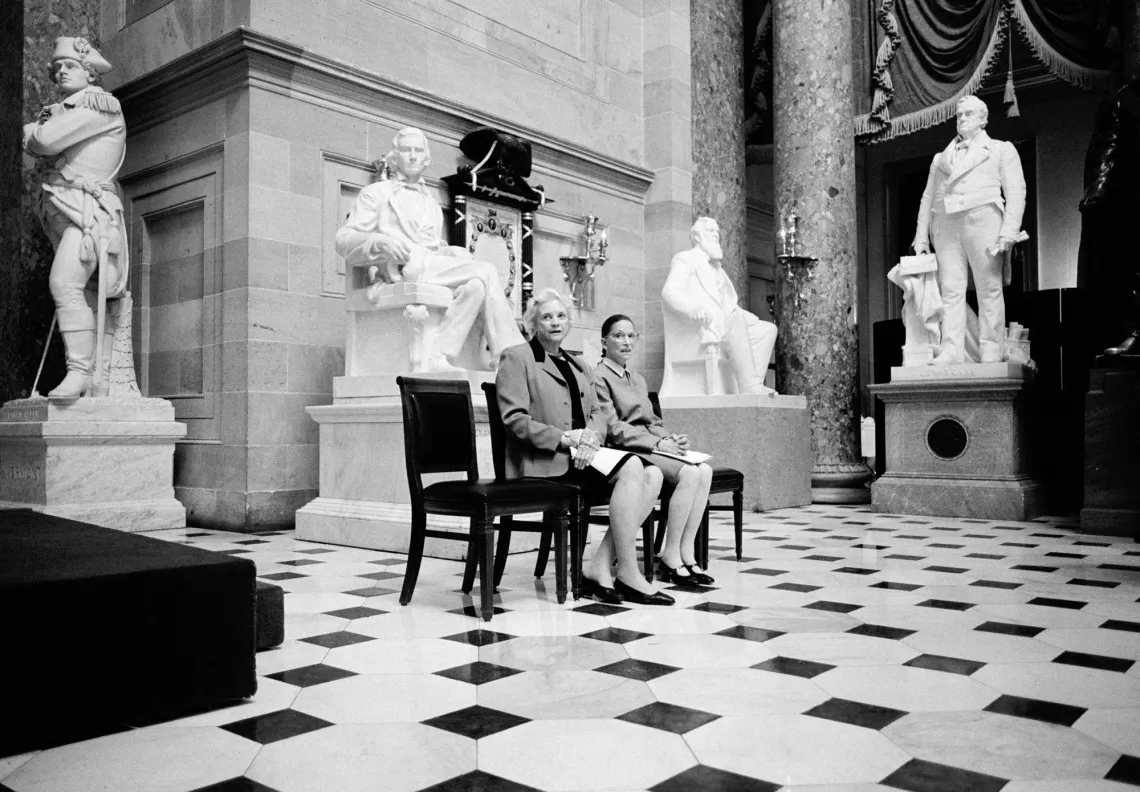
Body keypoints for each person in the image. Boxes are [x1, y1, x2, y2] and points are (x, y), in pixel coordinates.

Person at [496, 289, 674, 606]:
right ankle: (629, 573)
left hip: (584, 456)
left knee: (654, 476)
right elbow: (514, 419)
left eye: (561, 316)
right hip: (546, 461)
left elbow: (597, 415)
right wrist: (568, 439)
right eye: (546, 316)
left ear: (569, 322)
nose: (555, 322)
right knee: (634, 466)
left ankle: (601, 567)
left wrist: (590, 437)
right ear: (532, 322)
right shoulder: (517, 357)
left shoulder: (578, 365)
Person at [335, 127, 525, 370]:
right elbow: (344, 239)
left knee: (476, 286)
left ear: (426, 159)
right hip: (400, 268)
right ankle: (510, 353)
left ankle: (440, 355)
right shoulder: (375, 194)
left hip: (427, 265)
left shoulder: (431, 203)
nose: (413, 156)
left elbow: (434, 248)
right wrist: (380, 243)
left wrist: (453, 253)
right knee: (486, 270)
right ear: (395, 157)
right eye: (406, 150)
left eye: (418, 151)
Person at [23, 36, 128, 398]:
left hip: (90, 215)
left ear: (89, 72)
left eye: (70, 65)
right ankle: (91, 373)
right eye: (56, 68)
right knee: (75, 291)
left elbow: (45, 142)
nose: (61, 71)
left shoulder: (102, 105)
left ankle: (81, 372)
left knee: (64, 283)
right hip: (65, 208)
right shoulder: (64, 110)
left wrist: (32, 133)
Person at [593, 314, 715, 587]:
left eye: (630, 336)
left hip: (651, 445)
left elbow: (653, 422)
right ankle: (669, 556)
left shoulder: (637, 379)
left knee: (704, 470)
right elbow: (613, 428)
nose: (626, 342)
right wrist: (658, 444)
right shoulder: (598, 376)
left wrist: (671, 438)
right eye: (618, 336)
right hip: (627, 449)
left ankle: (686, 553)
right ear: (604, 341)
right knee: (689, 474)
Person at [913, 95, 1027, 365]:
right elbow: (927, 198)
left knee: (989, 287)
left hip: (984, 220)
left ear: (983, 119)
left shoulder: (1000, 149)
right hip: (946, 225)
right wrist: (920, 236)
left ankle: (991, 347)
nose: (962, 119)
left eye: (969, 114)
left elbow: (1016, 191)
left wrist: (1008, 231)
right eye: (959, 115)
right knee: (950, 289)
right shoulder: (941, 158)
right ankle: (952, 348)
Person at [661, 217, 778, 395]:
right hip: (702, 325)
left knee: (768, 330)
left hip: (725, 321)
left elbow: (726, 301)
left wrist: (745, 314)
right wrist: (692, 308)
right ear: (697, 237)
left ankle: (749, 385)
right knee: (736, 321)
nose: (716, 233)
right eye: (710, 231)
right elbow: (670, 292)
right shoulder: (685, 259)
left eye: (717, 231)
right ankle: (750, 387)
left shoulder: (718, 269)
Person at [1078, 73, 1140, 357]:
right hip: (1133, 198)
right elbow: (1106, 150)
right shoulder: (1123, 100)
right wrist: (1096, 192)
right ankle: (1137, 330)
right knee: (1132, 264)